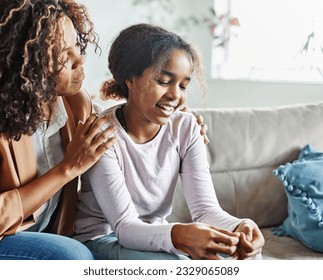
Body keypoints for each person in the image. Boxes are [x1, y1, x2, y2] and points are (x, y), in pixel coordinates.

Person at [74, 23, 265, 260]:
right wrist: (179, 237)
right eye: (164, 81)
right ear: (130, 78)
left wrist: (240, 227)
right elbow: (124, 227)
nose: (176, 95)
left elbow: (205, 210)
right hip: (104, 239)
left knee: (248, 257)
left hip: (154, 236)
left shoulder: (186, 128)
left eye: (183, 85)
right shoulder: (103, 136)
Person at [0, 0, 116, 260]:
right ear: (26, 64)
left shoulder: (74, 102)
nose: (80, 58)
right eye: (65, 56)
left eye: (76, 44)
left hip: (49, 235)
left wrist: (171, 121)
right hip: (6, 237)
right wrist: (67, 169)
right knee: (71, 257)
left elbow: (122, 124)